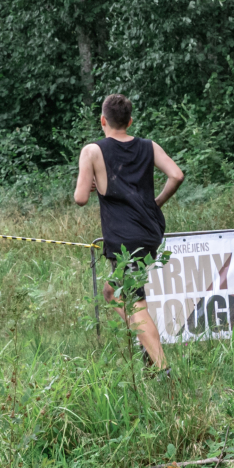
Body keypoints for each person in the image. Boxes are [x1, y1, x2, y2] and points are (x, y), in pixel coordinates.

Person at [73, 94, 184, 374]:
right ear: (130, 122)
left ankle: (163, 370)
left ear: (103, 120)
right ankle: (145, 346)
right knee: (111, 292)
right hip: (149, 232)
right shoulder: (149, 146)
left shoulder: (92, 151)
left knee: (135, 303)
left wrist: (90, 180)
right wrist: (156, 203)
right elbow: (177, 175)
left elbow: (80, 198)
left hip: (126, 239)